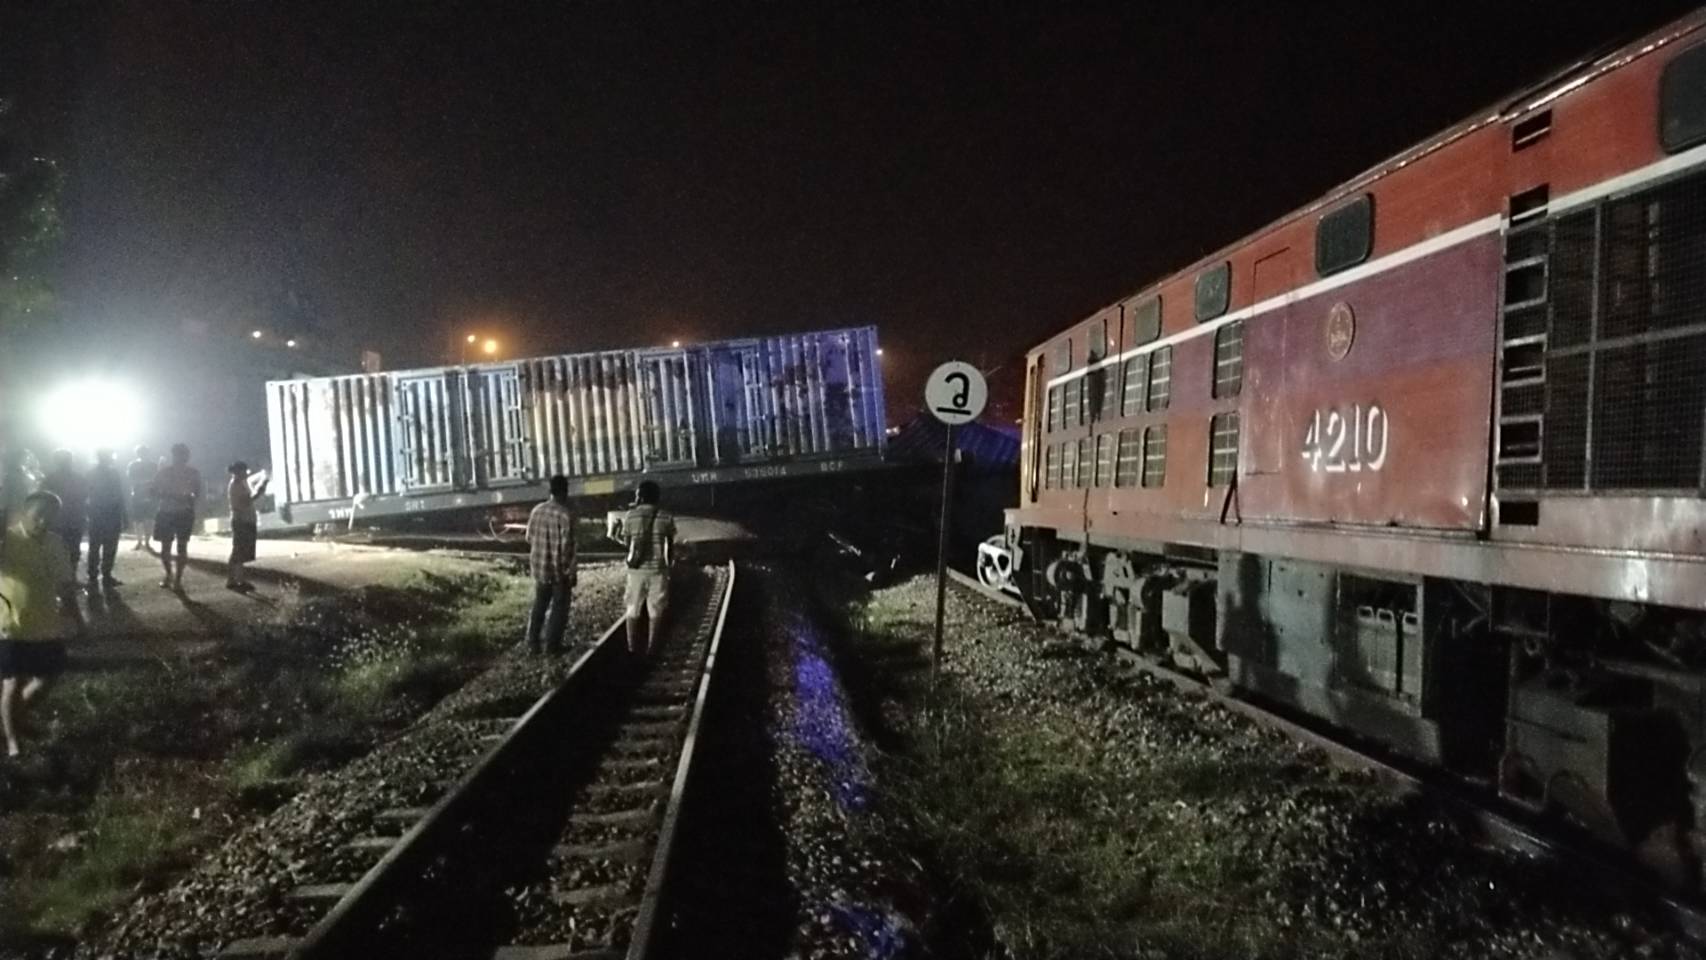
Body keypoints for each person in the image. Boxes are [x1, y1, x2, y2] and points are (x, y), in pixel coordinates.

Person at [0, 492, 81, 757]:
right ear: (25, 511)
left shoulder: (56, 543)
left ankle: (15, 718)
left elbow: (65, 585)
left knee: (48, 678)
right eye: (39, 515)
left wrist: (77, 618)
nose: (44, 521)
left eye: (51, 516)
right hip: (10, 625)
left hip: (46, 624)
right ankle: (13, 741)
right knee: (13, 682)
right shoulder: (7, 540)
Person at [619, 480, 675, 655]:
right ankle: (652, 649)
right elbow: (669, 546)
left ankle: (631, 648)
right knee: (656, 610)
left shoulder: (630, 516)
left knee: (632, 608)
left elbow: (628, 544)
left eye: (637, 495)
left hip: (636, 571)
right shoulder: (666, 517)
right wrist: (669, 566)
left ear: (641, 497)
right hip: (658, 570)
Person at [524, 475, 577, 654]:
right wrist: (568, 572)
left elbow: (529, 537)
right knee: (559, 608)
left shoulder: (536, 510)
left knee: (539, 604)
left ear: (550, 491)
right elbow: (566, 548)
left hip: (540, 568)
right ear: (565, 491)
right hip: (558, 571)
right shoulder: (565, 514)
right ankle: (552, 646)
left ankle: (532, 643)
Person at [150, 443, 200, 591]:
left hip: (172, 512)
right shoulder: (189, 472)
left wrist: (183, 498)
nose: (182, 457)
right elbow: (153, 491)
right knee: (177, 547)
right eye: (180, 454)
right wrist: (177, 496)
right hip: (176, 512)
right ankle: (174, 578)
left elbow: (153, 491)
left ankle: (172, 577)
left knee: (171, 547)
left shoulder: (168, 472)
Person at [38, 450, 87, 583]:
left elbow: (42, 499)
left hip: (57, 520)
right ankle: (70, 577)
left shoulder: (49, 479)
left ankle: (60, 578)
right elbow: (85, 497)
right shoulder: (79, 478)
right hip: (74, 519)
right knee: (73, 550)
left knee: (58, 550)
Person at [85, 449, 127, 590]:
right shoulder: (113, 473)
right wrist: (124, 515)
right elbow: (119, 495)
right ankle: (105, 575)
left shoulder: (91, 473)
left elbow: (87, 494)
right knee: (109, 546)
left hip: (97, 513)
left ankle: (93, 576)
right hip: (110, 513)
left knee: (95, 546)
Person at [226, 462, 268, 590]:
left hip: (245, 520)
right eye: (244, 471)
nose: (246, 474)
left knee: (240, 551)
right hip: (241, 521)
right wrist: (260, 489)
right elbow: (246, 501)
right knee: (239, 551)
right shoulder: (236, 485)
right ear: (238, 472)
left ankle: (236, 579)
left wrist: (261, 482)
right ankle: (235, 580)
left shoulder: (242, 482)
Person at [126, 445, 156, 552]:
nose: (143, 454)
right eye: (141, 452)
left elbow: (157, 479)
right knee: (138, 520)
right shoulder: (133, 465)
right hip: (138, 495)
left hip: (150, 495)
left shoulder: (153, 465)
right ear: (137, 454)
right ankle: (140, 542)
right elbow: (130, 479)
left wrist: (144, 483)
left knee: (149, 519)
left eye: (144, 452)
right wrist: (146, 482)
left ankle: (146, 542)